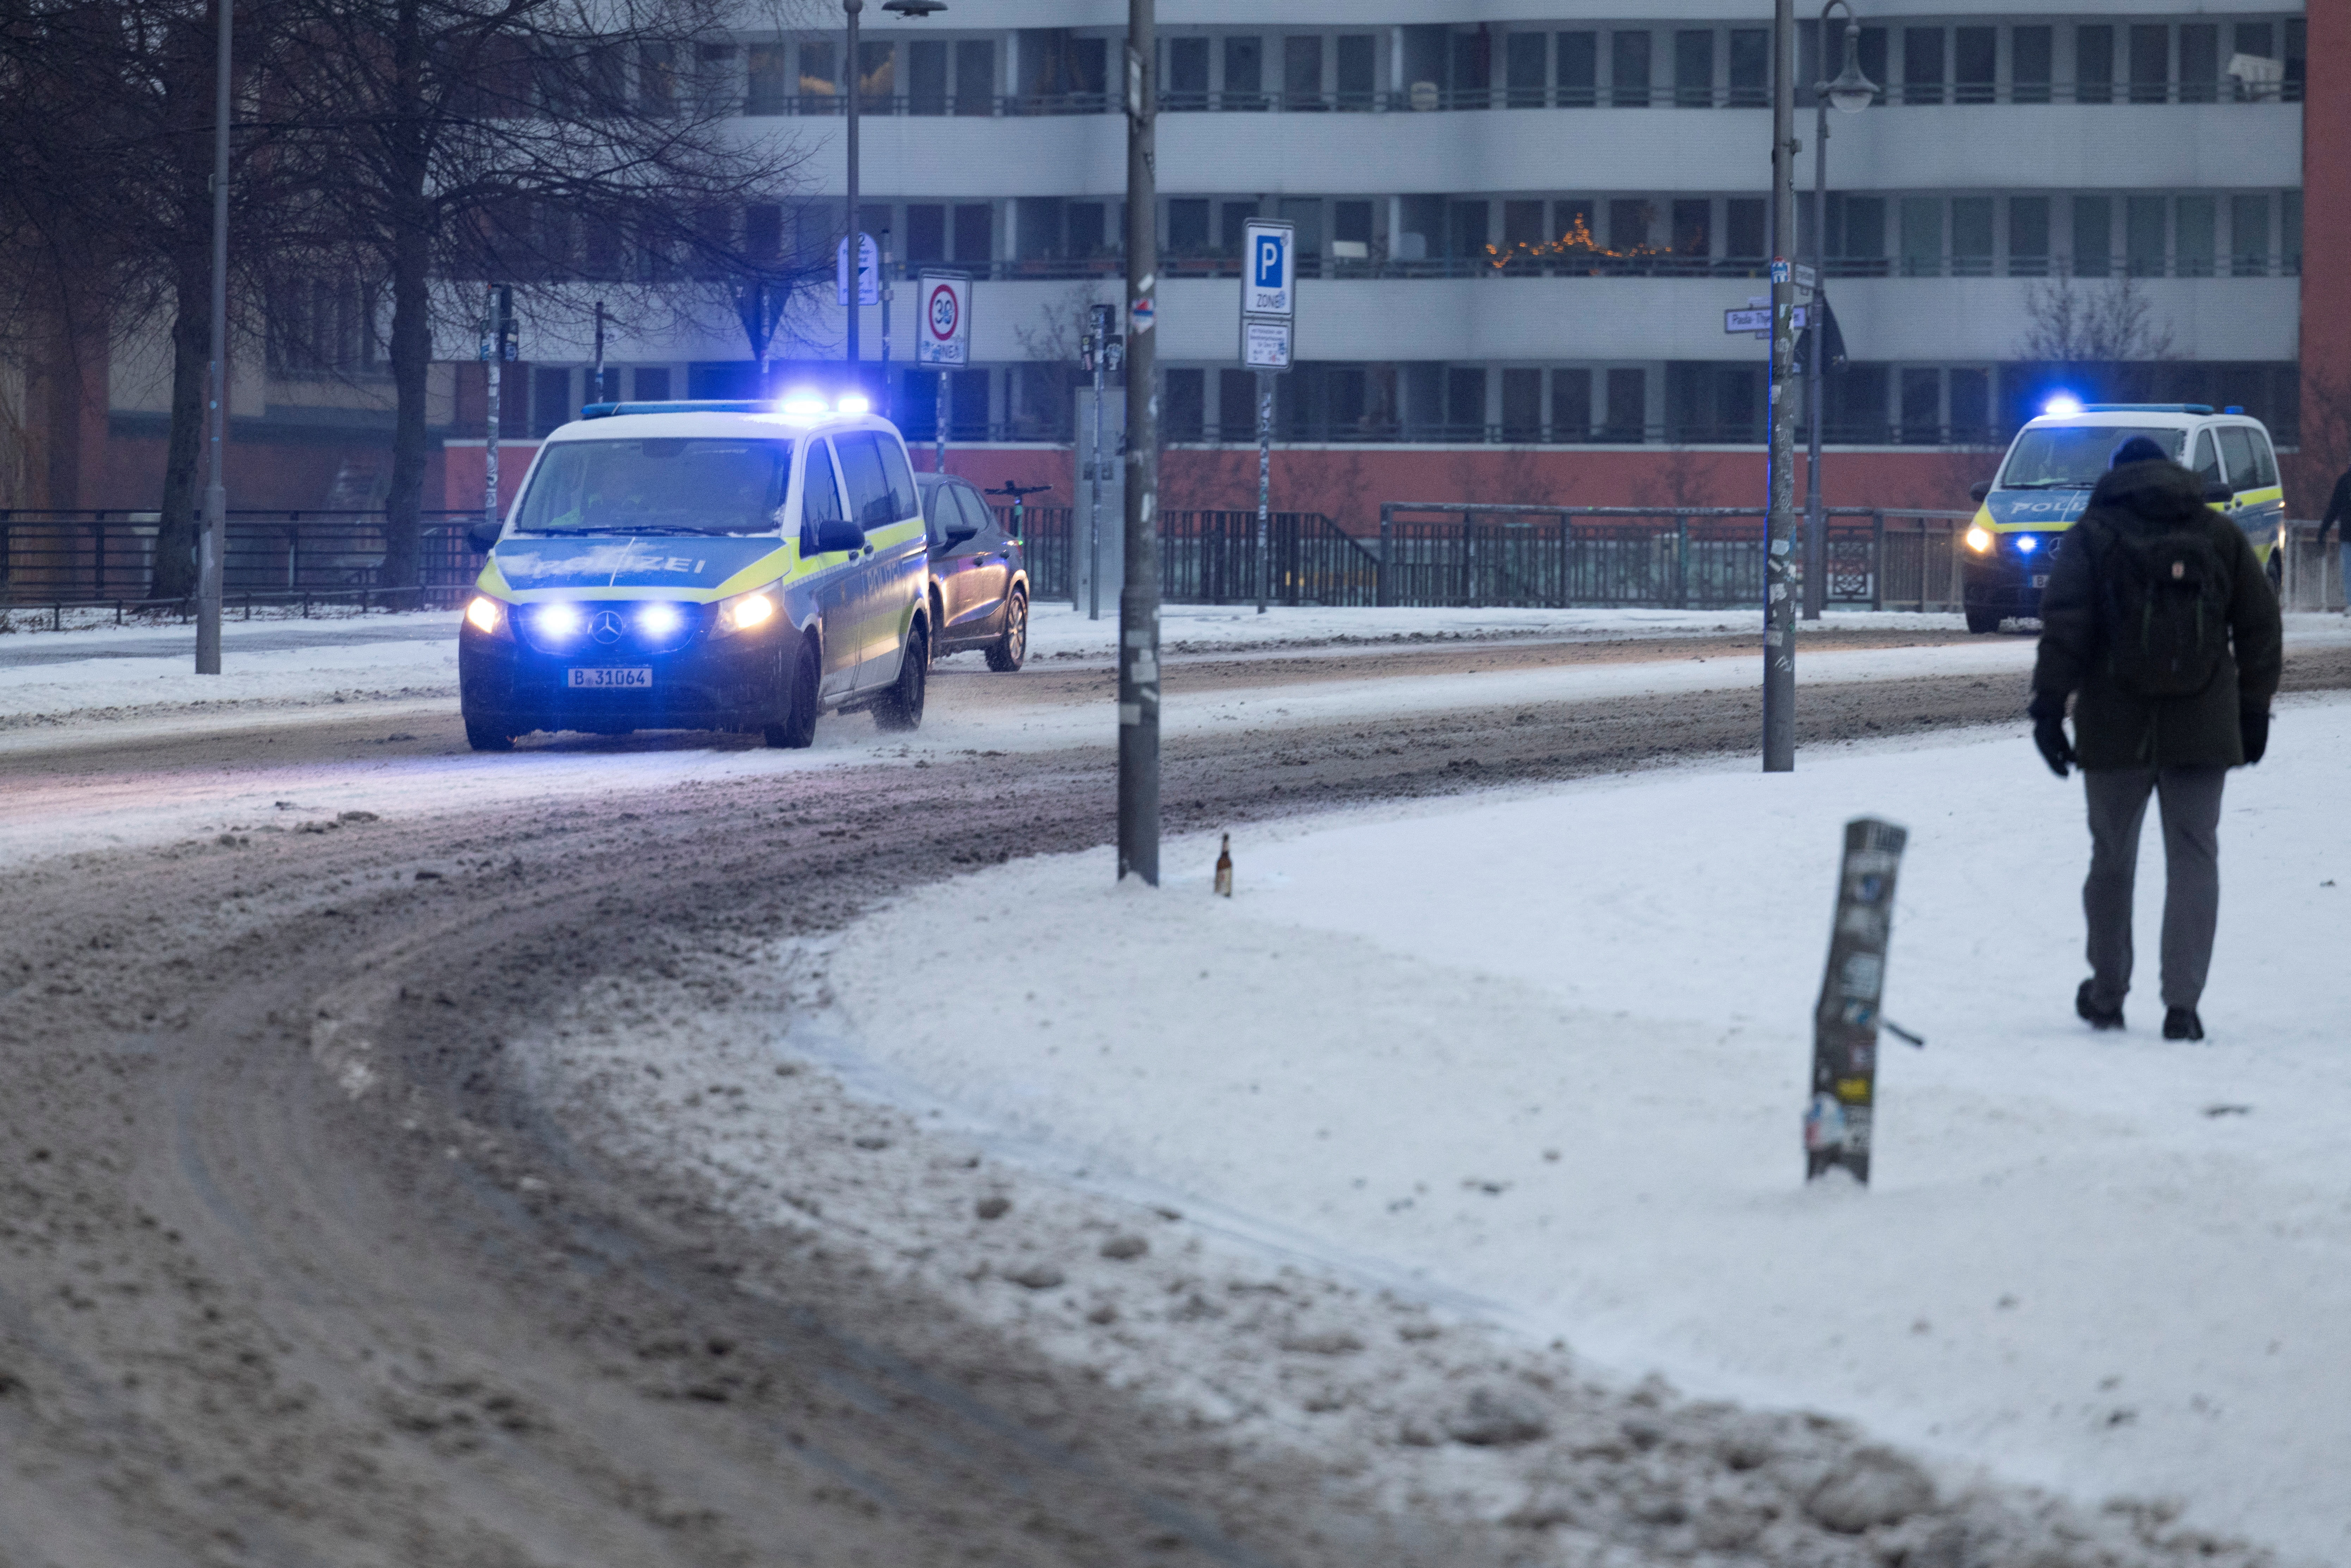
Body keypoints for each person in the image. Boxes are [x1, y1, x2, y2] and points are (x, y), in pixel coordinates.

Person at [2027, 434, 2282, 1041]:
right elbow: (2259, 619)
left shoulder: (2094, 532)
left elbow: (2066, 624)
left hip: (2114, 720)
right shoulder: (2216, 531)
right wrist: (2253, 706)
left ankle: (2109, 994)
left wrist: (2047, 708)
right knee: (2195, 855)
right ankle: (2184, 1005)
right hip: (2205, 718)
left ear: (2117, 475)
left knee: (2112, 858)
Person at [2316, 463, 2351, 614]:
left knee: (2348, 570)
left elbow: (2334, 508)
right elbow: (2334, 508)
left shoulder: (2345, 481)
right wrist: (2323, 530)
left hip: (2346, 534)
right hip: (2347, 535)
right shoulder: (2344, 482)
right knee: (2348, 570)